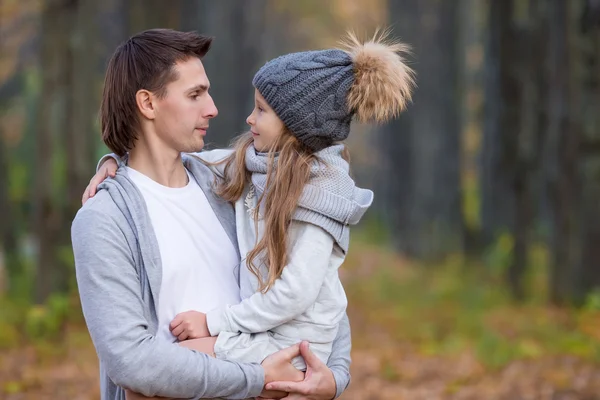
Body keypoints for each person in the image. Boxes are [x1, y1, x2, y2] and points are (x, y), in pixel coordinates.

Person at [72, 28, 352, 400]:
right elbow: (131, 361)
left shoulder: (231, 183)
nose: (213, 108)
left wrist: (335, 376)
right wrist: (254, 378)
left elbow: (316, 284)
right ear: (148, 104)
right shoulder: (105, 218)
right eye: (194, 95)